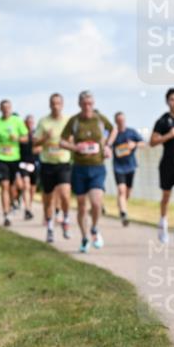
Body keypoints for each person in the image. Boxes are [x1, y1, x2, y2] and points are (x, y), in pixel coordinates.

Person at [60, 91, 116, 253]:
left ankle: (95, 228)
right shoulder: (75, 121)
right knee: (82, 205)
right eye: (84, 103)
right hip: (79, 167)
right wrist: (74, 147)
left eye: (90, 103)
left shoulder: (99, 119)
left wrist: (108, 146)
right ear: (79, 104)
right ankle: (84, 238)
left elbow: (113, 130)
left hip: (97, 167)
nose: (87, 106)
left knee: (97, 202)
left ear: (94, 103)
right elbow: (62, 141)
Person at [150, 88, 174, 245]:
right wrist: (168, 135)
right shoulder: (163, 121)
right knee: (166, 197)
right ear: (167, 102)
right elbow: (152, 142)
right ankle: (163, 224)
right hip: (167, 163)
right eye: (172, 99)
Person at [36, 93, 73, 243]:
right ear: (49, 105)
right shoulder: (43, 122)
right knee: (48, 198)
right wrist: (45, 137)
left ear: (62, 104)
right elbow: (35, 143)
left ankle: (65, 219)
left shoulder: (68, 121)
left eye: (58, 103)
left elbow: (73, 141)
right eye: (53, 103)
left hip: (63, 162)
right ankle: (50, 226)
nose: (55, 106)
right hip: (47, 163)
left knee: (65, 194)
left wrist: (70, 142)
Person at [0, 100, 28, 227]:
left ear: (11, 108)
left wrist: (17, 138)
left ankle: (15, 201)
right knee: (4, 185)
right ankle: (6, 214)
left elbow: (26, 138)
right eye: (3, 108)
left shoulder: (17, 121)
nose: (6, 110)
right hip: (0, 157)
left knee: (16, 186)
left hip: (15, 158)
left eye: (8, 108)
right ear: (0, 109)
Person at [111, 111, 145, 227]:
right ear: (116, 121)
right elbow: (106, 145)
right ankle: (124, 213)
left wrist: (134, 145)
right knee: (121, 190)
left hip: (130, 166)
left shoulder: (131, 132)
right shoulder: (113, 133)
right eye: (119, 120)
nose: (121, 122)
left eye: (123, 120)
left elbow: (143, 143)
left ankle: (121, 205)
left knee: (127, 193)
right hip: (118, 167)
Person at [18, 114, 38, 220]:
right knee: (26, 185)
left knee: (32, 188)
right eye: (28, 122)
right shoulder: (21, 134)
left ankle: (29, 206)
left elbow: (40, 148)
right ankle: (27, 209)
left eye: (31, 122)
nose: (30, 124)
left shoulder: (36, 135)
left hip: (34, 163)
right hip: (22, 163)